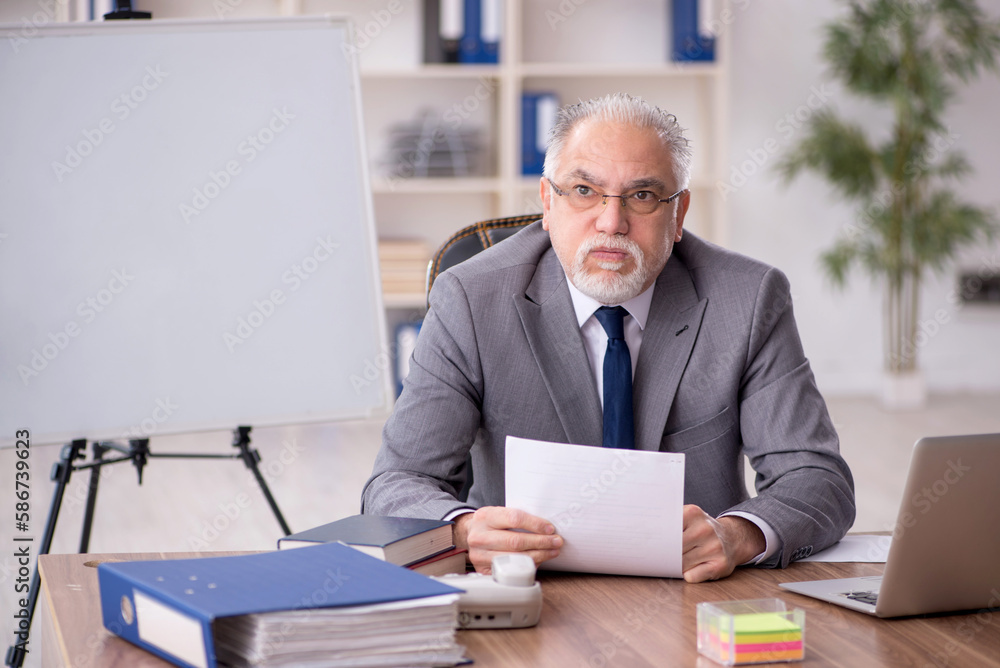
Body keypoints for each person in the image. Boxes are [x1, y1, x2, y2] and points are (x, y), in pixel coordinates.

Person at [362, 93, 855, 583]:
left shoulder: (747, 299)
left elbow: (817, 478)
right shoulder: (471, 299)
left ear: (679, 214)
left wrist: (738, 534)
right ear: (547, 202)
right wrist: (466, 530)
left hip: (695, 593)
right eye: (583, 190)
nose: (611, 222)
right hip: (528, 589)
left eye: (642, 196)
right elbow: (397, 481)